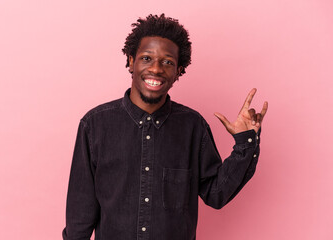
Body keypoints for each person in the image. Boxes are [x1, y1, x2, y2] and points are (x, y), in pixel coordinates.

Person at [62, 14, 268, 240]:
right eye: (147, 58)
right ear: (131, 61)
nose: (157, 69)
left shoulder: (193, 127)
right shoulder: (95, 126)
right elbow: (79, 216)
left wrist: (245, 143)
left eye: (168, 62)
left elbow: (216, 193)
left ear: (179, 71)